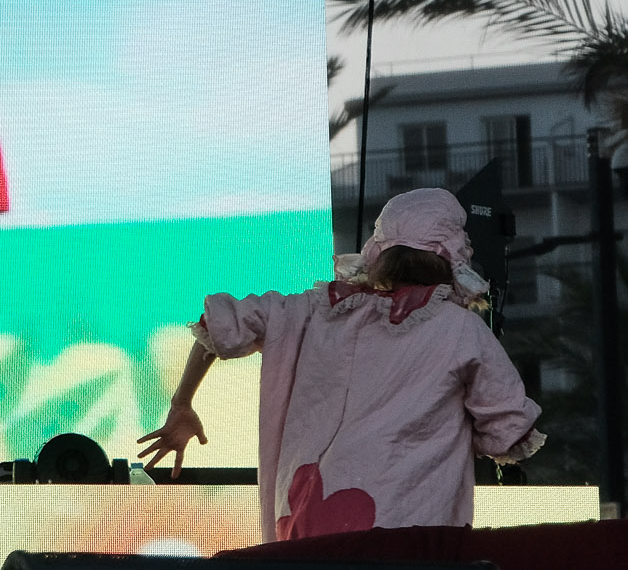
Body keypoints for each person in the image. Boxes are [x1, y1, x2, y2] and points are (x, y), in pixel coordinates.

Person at [137, 187, 543, 542]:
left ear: (379, 251)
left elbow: (217, 325)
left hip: (308, 528)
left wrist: (181, 404)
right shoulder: (460, 330)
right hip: (412, 539)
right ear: (453, 255)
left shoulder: (309, 312)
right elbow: (509, 433)